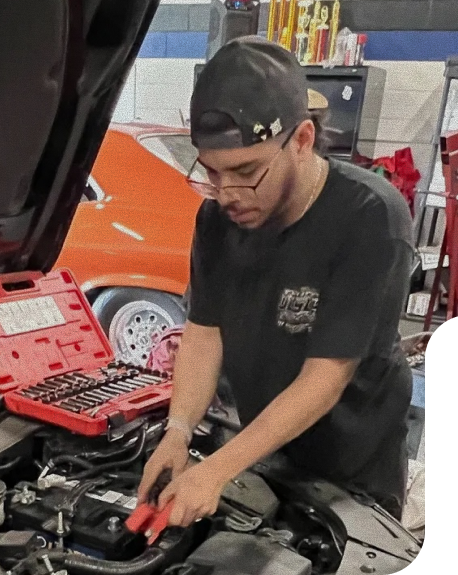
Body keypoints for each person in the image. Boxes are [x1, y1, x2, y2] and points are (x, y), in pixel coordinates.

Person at [137, 35, 415, 527]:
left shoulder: (369, 216)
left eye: (246, 171)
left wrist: (216, 470)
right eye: (212, 173)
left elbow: (325, 379)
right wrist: (178, 431)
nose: (227, 194)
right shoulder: (218, 219)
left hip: (352, 469)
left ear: (302, 140)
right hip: (264, 452)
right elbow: (204, 333)